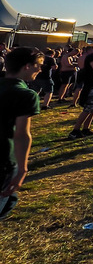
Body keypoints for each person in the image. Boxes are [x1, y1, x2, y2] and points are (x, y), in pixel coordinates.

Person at [0, 47, 43, 221]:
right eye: (38, 65)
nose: (40, 70)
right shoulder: (26, 94)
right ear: (27, 66)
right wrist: (23, 169)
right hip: (4, 157)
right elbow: (22, 135)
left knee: (10, 199)